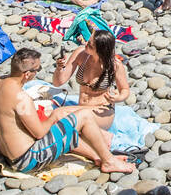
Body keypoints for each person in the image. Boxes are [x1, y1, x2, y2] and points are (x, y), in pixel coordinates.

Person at [0, 48, 128, 174]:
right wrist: (54, 115)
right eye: (37, 70)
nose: (37, 73)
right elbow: (39, 133)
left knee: (65, 128)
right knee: (81, 117)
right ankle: (108, 161)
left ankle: (98, 157)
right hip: (29, 159)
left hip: (9, 154)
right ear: (27, 74)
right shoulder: (21, 98)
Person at [51, 32, 135, 171]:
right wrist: (60, 68)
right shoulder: (81, 54)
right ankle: (100, 155)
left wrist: (117, 98)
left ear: (101, 49)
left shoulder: (114, 65)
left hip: (101, 111)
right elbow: (58, 82)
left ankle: (102, 147)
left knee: (58, 115)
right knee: (61, 127)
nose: (86, 44)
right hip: (81, 109)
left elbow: (125, 90)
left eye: (90, 44)